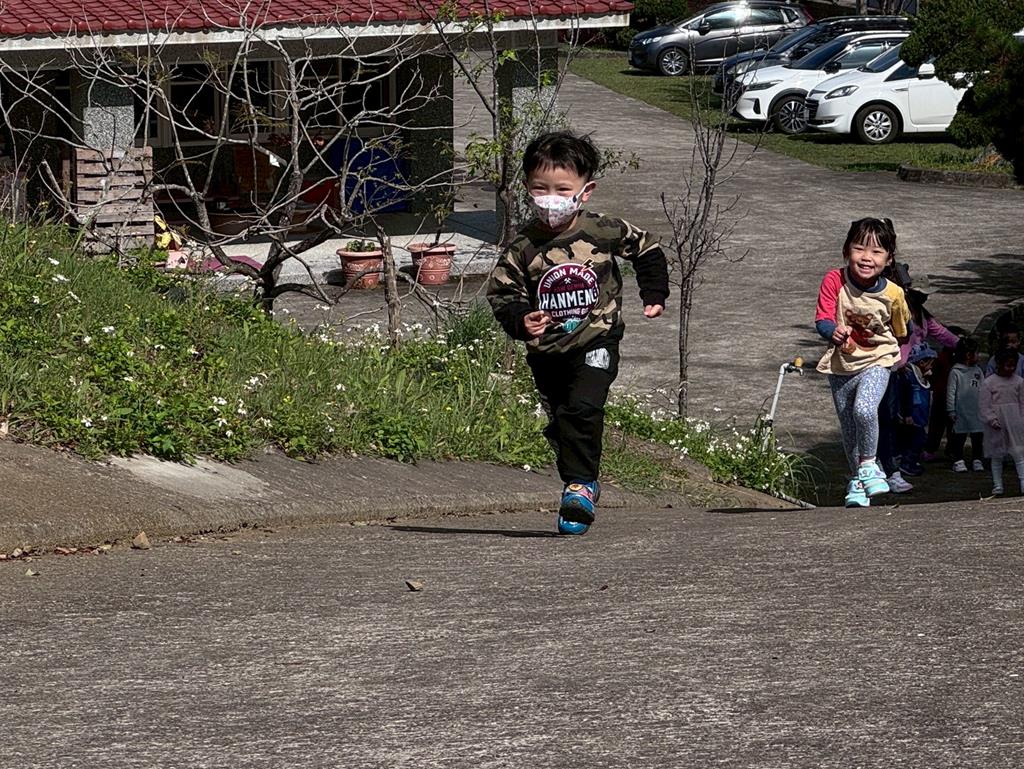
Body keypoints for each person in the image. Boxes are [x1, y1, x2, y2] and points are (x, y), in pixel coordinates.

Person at [486, 132, 669, 535]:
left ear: (585, 191)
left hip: (597, 339)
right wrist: (520, 319)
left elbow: (647, 248)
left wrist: (653, 293)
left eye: (562, 190)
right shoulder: (524, 246)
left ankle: (579, 487)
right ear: (527, 188)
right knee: (561, 423)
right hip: (547, 351)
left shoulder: (601, 230)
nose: (550, 199)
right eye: (540, 189)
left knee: (582, 407)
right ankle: (581, 479)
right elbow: (502, 292)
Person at [815, 217, 911, 508]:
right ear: (847, 251)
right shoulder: (834, 280)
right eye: (859, 249)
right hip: (842, 365)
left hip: (877, 359)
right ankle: (857, 480)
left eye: (877, 251)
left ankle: (870, 466)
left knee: (865, 409)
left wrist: (897, 356)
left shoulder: (894, 293)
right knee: (849, 430)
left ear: (888, 259)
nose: (867, 257)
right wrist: (833, 331)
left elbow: (902, 331)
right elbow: (823, 319)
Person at [980, 349, 1024, 496]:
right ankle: (997, 484)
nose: (1010, 368)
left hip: (1015, 422)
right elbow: (984, 404)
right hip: (997, 424)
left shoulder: (1019, 382)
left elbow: (1022, 402)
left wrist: (1021, 420)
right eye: (1008, 365)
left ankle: (1023, 482)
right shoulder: (989, 383)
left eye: (1013, 365)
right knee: (997, 455)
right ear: (999, 364)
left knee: (1018, 452)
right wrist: (991, 419)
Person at [895, 343, 936, 477]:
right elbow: (905, 396)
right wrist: (906, 414)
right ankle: (907, 463)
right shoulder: (908, 377)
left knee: (917, 440)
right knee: (914, 441)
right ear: (922, 363)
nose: (931, 367)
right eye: (930, 364)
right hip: (912, 416)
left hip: (919, 416)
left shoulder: (919, 376)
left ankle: (910, 461)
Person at [946, 337, 985, 473]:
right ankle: (958, 460)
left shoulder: (978, 371)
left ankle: (977, 459)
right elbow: (951, 392)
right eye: (976, 353)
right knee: (959, 436)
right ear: (969, 355)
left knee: (977, 435)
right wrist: (951, 410)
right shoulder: (955, 372)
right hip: (961, 411)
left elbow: (983, 388)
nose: (978, 356)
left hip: (977, 410)